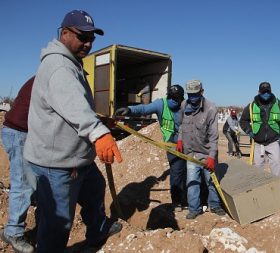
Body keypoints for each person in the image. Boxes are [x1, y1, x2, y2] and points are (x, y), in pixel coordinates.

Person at [23, 10, 123, 252]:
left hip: (78, 159)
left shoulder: (72, 63)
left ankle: (97, 234)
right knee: (58, 224)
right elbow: (74, 105)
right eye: (82, 37)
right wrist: (98, 132)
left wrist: (99, 121)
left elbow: (70, 106)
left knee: (94, 192)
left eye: (91, 38)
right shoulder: (59, 67)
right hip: (57, 164)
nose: (88, 44)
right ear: (65, 33)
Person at [115, 85, 188, 210]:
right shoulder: (161, 104)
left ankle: (188, 199)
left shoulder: (184, 106)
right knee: (177, 172)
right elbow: (144, 108)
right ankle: (178, 201)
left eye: (176, 99)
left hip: (187, 143)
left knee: (187, 172)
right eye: (171, 98)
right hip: (171, 144)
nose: (173, 101)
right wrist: (129, 109)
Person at [176, 80, 226, 219]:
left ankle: (215, 205)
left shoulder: (210, 108)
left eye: (195, 94)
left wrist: (211, 156)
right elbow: (181, 125)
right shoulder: (184, 105)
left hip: (206, 152)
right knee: (192, 183)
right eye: (190, 94)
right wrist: (180, 139)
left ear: (202, 92)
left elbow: (214, 136)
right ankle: (194, 209)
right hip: (191, 153)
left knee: (211, 182)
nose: (192, 98)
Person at [0, 77, 36, 253]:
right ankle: (13, 232)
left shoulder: (43, 76)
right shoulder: (53, 76)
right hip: (20, 133)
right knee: (23, 184)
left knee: (28, 180)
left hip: (16, 131)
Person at [239, 82, 280, 177]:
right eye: (263, 92)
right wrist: (249, 132)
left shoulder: (277, 103)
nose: (265, 94)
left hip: (273, 142)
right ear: (258, 92)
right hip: (258, 143)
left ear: (271, 91)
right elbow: (243, 121)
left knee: (277, 166)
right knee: (257, 169)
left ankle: (277, 187)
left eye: (267, 92)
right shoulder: (252, 106)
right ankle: (259, 189)